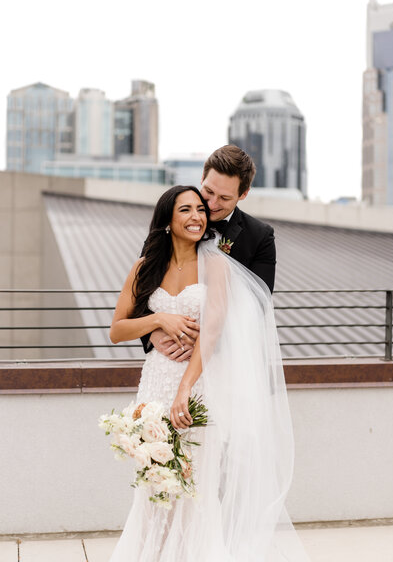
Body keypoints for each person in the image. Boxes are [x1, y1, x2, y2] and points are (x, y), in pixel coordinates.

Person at [108, 185, 310, 561]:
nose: (197, 216)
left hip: (199, 386)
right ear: (168, 219)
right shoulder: (144, 266)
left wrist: (186, 388)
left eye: (201, 209)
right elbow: (117, 329)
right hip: (154, 387)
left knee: (196, 488)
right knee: (155, 489)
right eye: (186, 209)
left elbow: (213, 330)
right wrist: (157, 321)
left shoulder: (215, 263)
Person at [143, 144, 276, 364]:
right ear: (203, 177)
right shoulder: (170, 224)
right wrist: (151, 334)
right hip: (168, 358)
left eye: (224, 198)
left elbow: (256, 307)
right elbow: (140, 293)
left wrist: (202, 343)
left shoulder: (260, 237)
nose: (212, 204)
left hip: (228, 363)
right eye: (209, 192)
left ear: (243, 194)